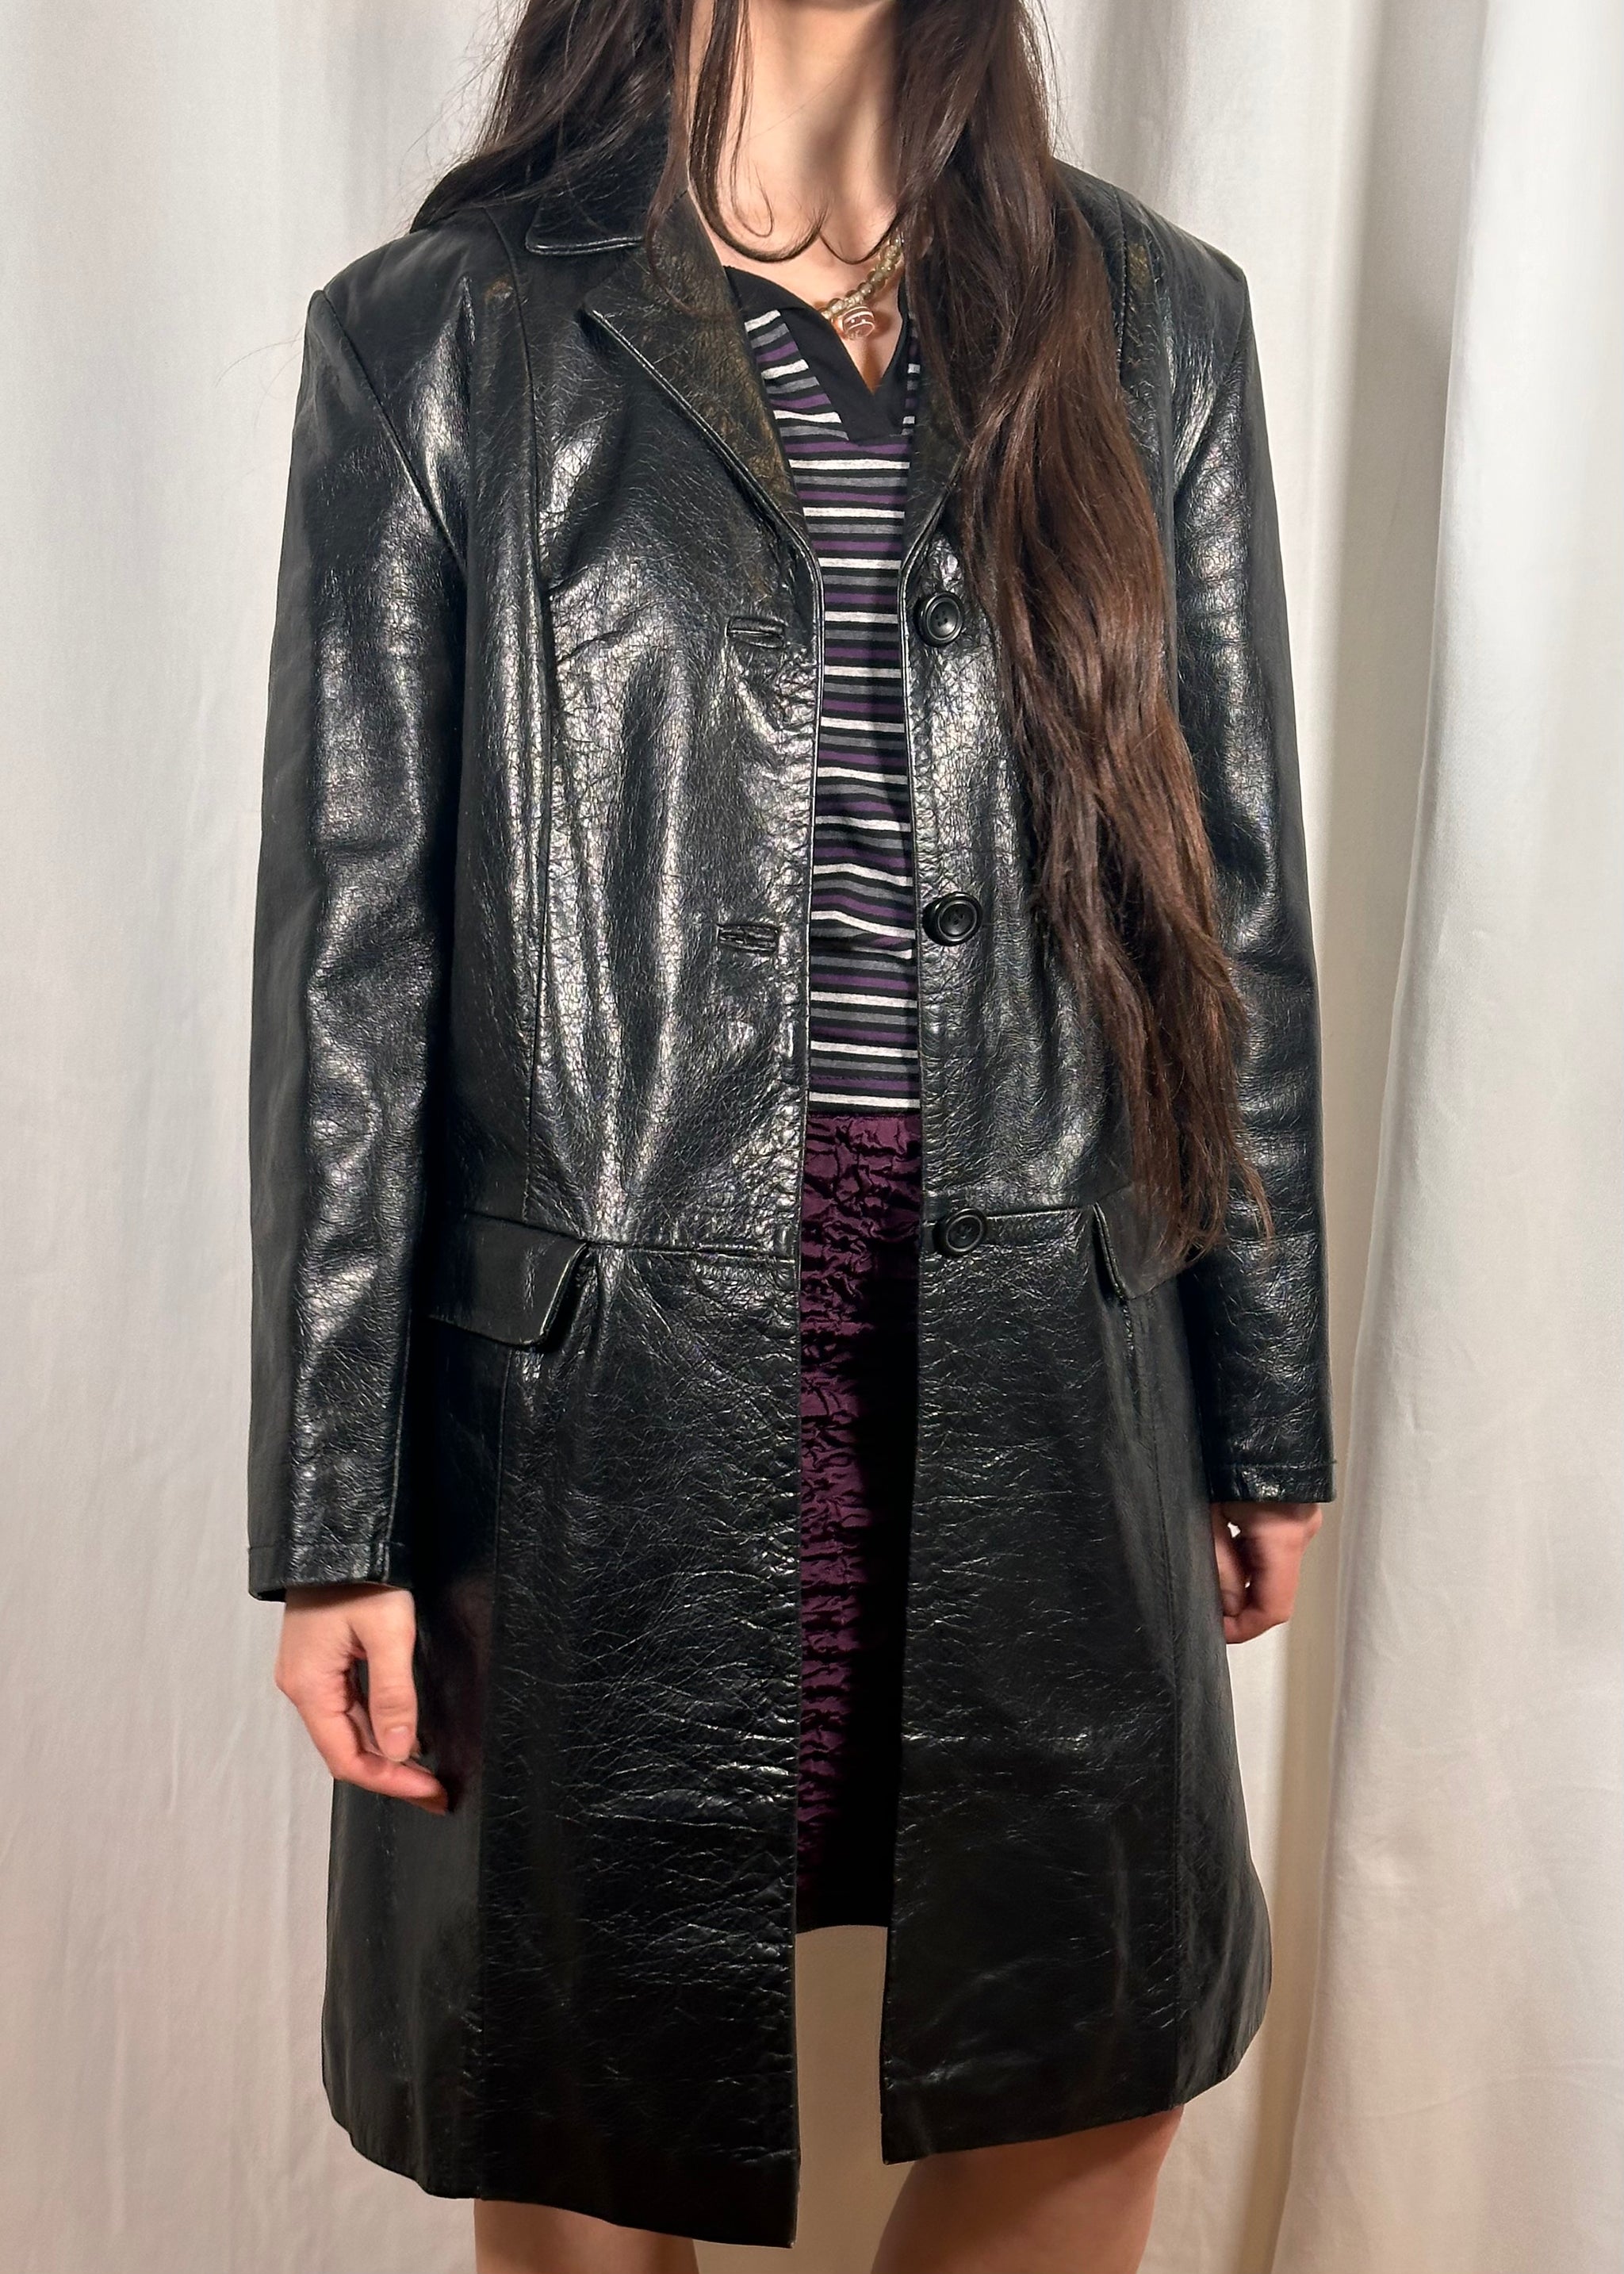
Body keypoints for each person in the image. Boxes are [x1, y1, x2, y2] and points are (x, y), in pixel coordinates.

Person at [250, 0, 1333, 2266]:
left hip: (1044, 1375)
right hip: (600, 1413)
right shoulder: (441, 337)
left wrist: (1265, 1405)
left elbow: (1227, 914)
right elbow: (352, 969)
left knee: (1090, 2071)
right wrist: (334, 1518)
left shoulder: (1151, 320)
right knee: (588, 2119)